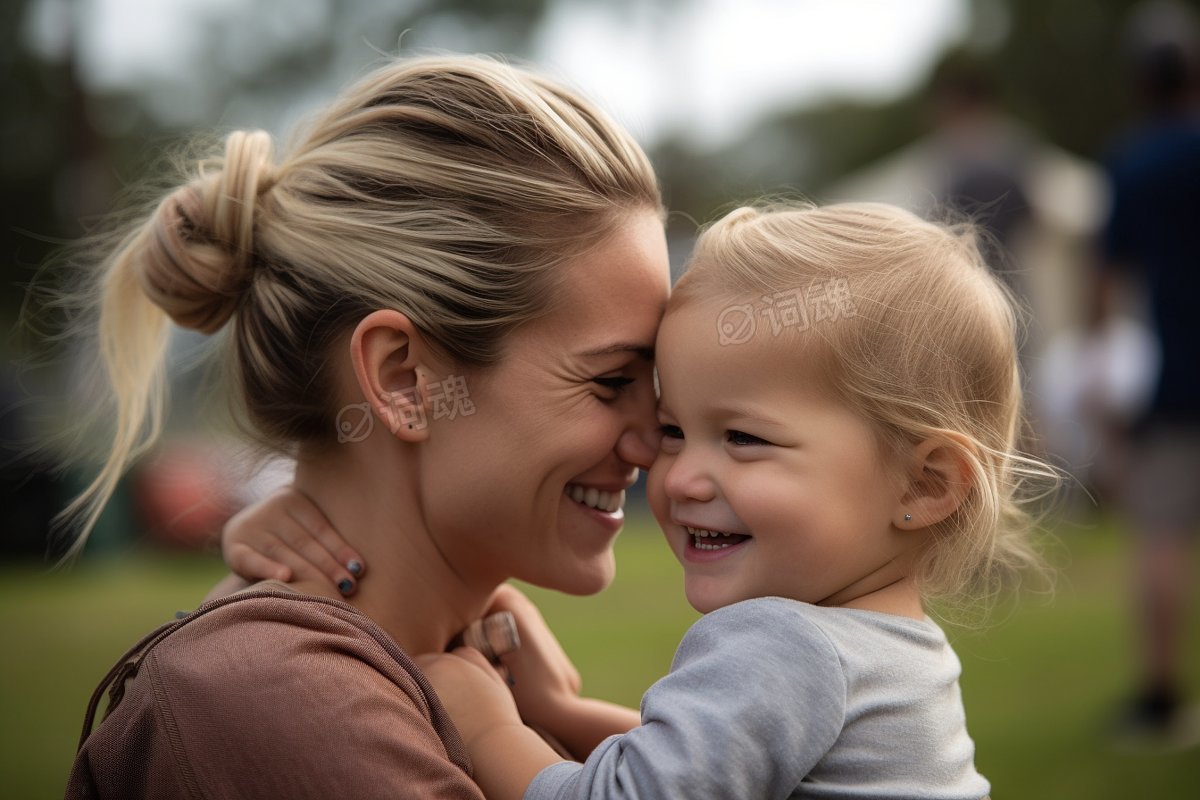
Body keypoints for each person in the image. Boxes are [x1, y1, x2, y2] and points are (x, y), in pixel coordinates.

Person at [233, 202, 1053, 798]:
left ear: (926, 483)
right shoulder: (890, 649)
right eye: (673, 430)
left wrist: (486, 727)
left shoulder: (786, 646)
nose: (677, 476)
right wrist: (557, 709)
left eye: (743, 439)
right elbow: (712, 771)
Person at [63, 53, 670, 799]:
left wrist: (553, 720)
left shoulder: (454, 670)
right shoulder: (268, 698)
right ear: (403, 379)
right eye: (612, 381)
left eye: (657, 382)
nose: (656, 439)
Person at [1093, 0, 1200, 746]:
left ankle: (1162, 699)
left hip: (1173, 374)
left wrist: (1098, 364)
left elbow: (1108, 280)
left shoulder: (1132, 162)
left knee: (1162, 536)